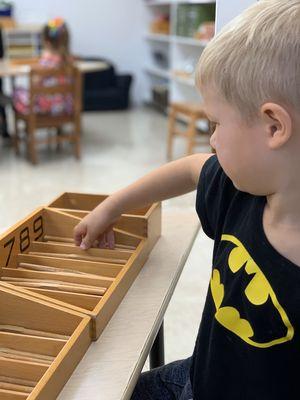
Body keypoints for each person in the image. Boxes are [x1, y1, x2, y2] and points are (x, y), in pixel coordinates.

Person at [74, 0, 300, 398]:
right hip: (198, 378)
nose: (211, 139)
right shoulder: (238, 189)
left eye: (216, 123)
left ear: (273, 126)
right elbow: (190, 169)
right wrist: (112, 206)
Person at [13, 17, 73, 116]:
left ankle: (26, 127)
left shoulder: (47, 61)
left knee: (17, 92)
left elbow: (36, 82)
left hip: (46, 107)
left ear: (46, 42)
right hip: (65, 106)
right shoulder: (69, 61)